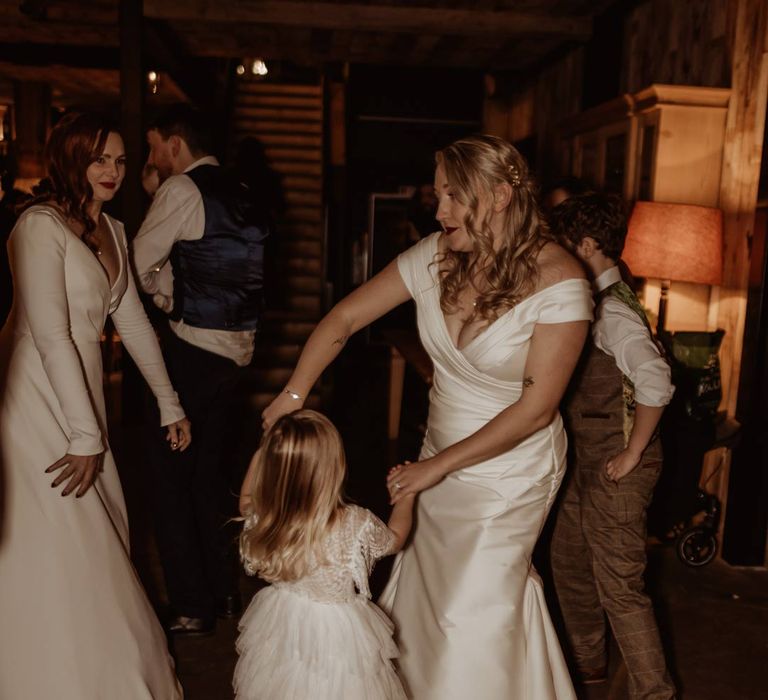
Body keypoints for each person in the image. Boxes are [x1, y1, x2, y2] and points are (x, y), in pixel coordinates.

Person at [263, 134, 593, 699]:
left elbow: (537, 409)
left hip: (509, 474)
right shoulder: (436, 256)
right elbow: (344, 318)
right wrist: (291, 395)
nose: (437, 210)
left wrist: (436, 468)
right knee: (426, 599)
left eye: (450, 196)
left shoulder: (561, 280)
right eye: (437, 194)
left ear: (497, 196)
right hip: (434, 456)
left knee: (474, 606)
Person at [0, 112, 189, 699]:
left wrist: (169, 402)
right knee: (59, 536)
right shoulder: (38, 226)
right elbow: (51, 334)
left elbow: (132, 321)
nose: (112, 171)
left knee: (99, 530)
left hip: (86, 395)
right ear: (72, 158)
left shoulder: (112, 229)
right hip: (38, 396)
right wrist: (84, 438)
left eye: (121, 160)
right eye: (99, 158)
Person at [132, 104, 269, 635]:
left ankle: (191, 604)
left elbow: (140, 261)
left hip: (192, 348)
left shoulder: (181, 190)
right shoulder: (244, 191)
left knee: (169, 481)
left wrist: (170, 299)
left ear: (174, 144)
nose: (151, 157)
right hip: (238, 356)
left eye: (153, 146)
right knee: (210, 479)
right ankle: (226, 594)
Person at [548, 193, 676, 698]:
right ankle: (588, 665)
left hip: (617, 463)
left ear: (585, 246)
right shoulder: (596, 300)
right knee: (569, 560)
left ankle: (655, 693)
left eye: (563, 247)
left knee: (620, 586)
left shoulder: (614, 311)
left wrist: (633, 451)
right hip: (588, 458)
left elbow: (655, 381)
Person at [234, 409, 413, 699]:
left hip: (284, 622)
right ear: (334, 468)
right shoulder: (354, 520)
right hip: (338, 633)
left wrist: (263, 454)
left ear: (268, 466)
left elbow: (245, 500)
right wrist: (407, 497)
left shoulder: (266, 517)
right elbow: (395, 541)